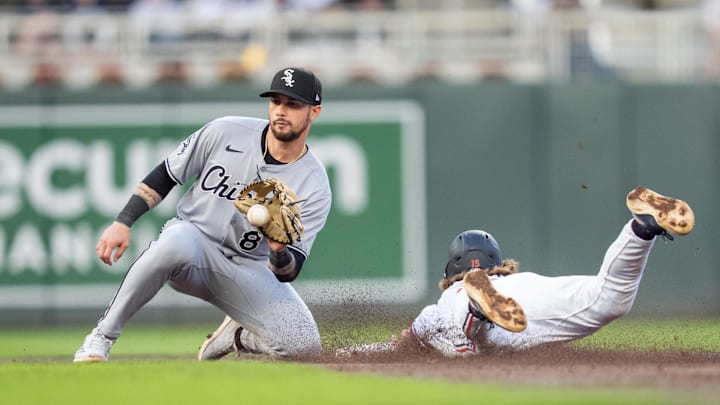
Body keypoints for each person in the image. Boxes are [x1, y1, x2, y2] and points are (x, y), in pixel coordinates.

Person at [73, 67, 332, 362]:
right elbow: (167, 174)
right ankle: (101, 337)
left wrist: (278, 250)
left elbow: (289, 270)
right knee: (173, 243)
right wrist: (123, 221)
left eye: (293, 104)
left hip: (247, 267)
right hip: (193, 244)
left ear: (315, 112)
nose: (281, 111)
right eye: (276, 101)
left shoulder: (314, 183)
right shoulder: (225, 131)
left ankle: (234, 336)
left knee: (305, 347)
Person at [336, 186, 694, 358]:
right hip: (526, 296)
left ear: (454, 269)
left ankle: (478, 311)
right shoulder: (519, 279)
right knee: (607, 299)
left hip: (474, 303)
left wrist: (349, 354)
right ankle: (641, 229)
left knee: (470, 342)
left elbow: (403, 345)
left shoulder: (450, 293)